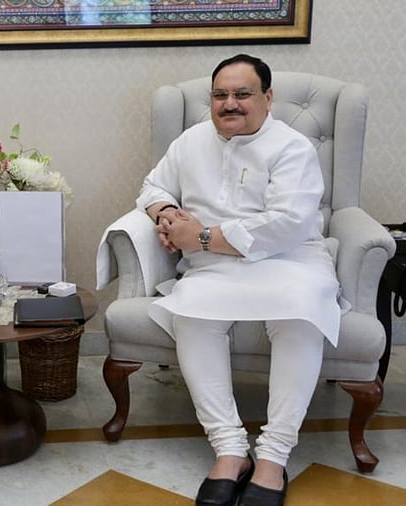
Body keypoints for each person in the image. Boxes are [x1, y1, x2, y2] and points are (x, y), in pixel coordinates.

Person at [138, 54, 340, 506]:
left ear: (268, 98)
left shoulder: (292, 148)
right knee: (191, 314)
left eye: (242, 94)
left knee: (301, 313)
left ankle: (272, 457)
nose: (229, 104)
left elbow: (286, 224)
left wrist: (203, 235)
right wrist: (167, 214)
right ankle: (229, 450)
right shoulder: (190, 141)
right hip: (215, 267)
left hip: (291, 263)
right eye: (220, 95)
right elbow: (151, 187)